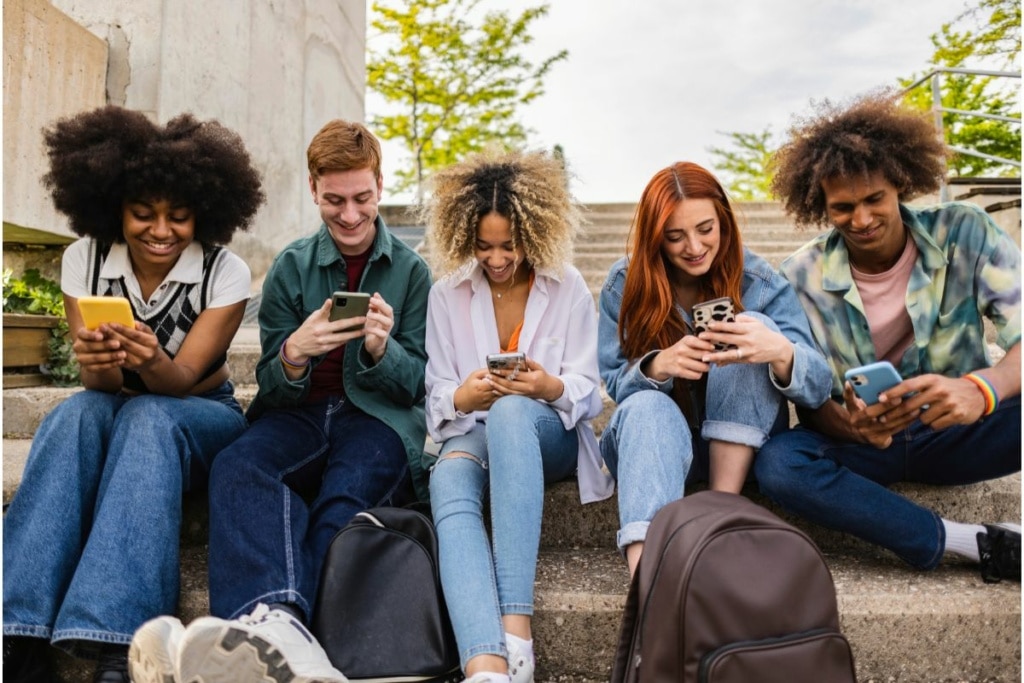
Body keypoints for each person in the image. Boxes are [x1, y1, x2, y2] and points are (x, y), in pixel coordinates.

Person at [129, 119, 433, 683]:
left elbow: (416, 386)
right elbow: (270, 382)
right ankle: (273, 629)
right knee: (239, 466)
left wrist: (379, 349)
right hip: (298, 415)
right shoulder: (292, 265)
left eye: (362, 198)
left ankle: (272, 632)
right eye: (334, 199)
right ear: (313, 188)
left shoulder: (413, 273)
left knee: (341, 506)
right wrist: (296, 351)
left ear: (381, 187)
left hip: (378, 420)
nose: (349, 214)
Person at [2, 105, 264, 683]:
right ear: (113, 210)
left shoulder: (225, 271)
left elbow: (183, 378)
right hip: (120, 405)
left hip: (201, 415)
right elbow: (101, 388)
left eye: (180, 217)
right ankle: (17, 632)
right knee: (75, 415)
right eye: (143, 214)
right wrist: (96, 364)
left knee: (148, 412)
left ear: (205, 214)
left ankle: (122, 637)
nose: (161, 231)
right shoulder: (85, 258)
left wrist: (151, 358)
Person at [754, 92, 1022, 582]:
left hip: (961, 432)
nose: (861, 220)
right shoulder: (800, 275)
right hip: (864, 447)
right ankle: (970, 542)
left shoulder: (966, 231)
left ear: (900, 183)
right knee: (777, 464)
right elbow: (810, 402)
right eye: (843, 207)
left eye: (874, 199)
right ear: (821, 206)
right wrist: (850, 426)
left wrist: (981, 389)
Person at [422, 149, 611, 683]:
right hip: (473, 435)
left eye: (510, 245)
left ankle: (516, 631)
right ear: (465, 238)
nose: (498, 258)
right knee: (450, 473)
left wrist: (544, 386)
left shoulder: (566, 284)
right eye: (484, 247)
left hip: (545, 435)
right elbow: (437, 393)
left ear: (534, 230)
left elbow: (588, 392)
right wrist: (464, 396)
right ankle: (485, 666)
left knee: (511, 412)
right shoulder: (447, 293)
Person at [598, 161, 833, 575]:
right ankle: (646, 581)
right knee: (647, 406)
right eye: (675, 236)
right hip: (657, 450)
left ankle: (720, 513)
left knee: (751, 329)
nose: (693, 246)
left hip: (743, 454)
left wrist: (778, 351)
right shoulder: (624, 283)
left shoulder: (758, 279)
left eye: (705, 229)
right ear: (656, 238)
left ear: (723, 220)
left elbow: (817, 386)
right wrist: (658, 365)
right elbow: (616, 383)